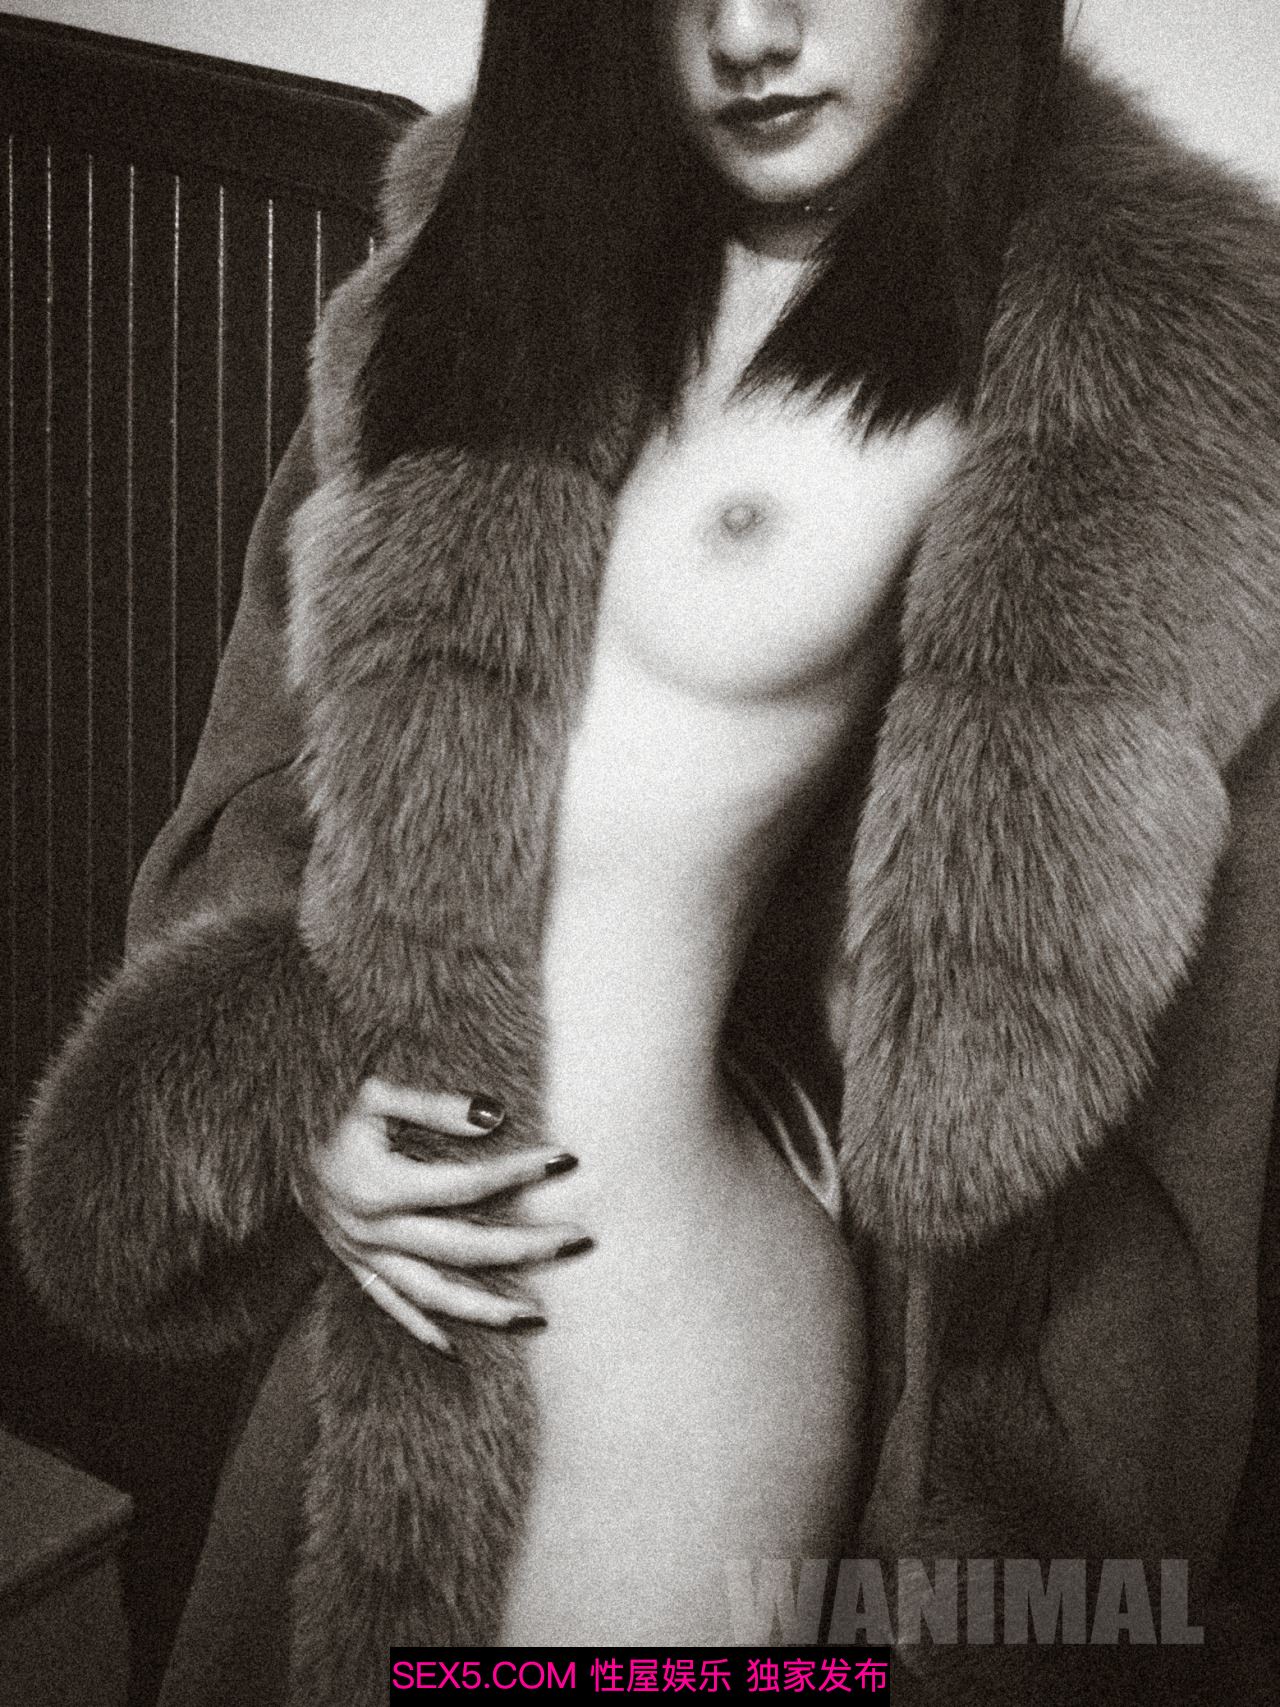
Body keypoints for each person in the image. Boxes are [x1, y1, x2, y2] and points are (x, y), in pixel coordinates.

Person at [12, 0, 1280, 1702]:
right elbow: (276, 782)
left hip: (676, 1337)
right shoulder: (480, 254)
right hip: (401, 1280)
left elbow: (1177, 1085)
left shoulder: (1129, 365)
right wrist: (295, 1109)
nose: (749, 31)